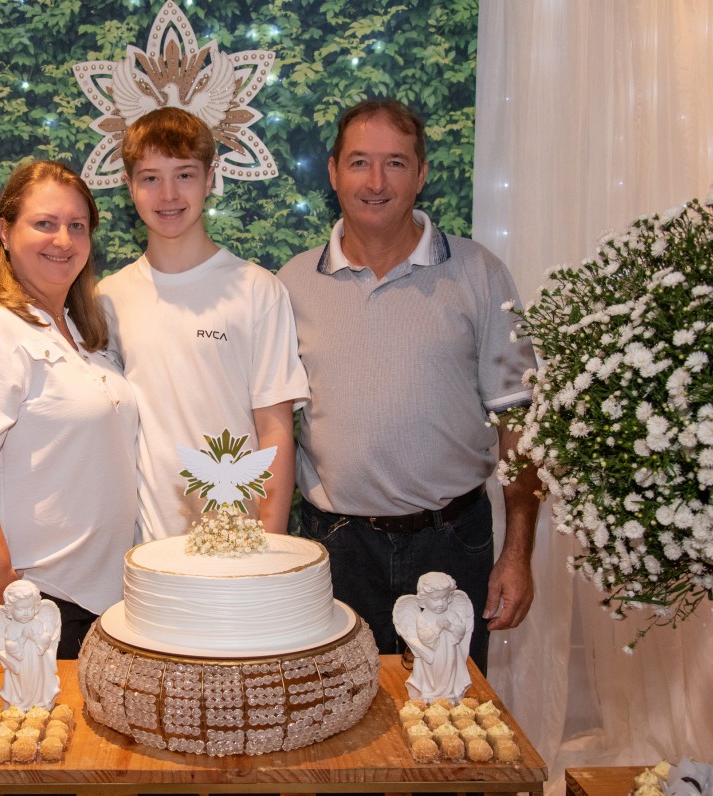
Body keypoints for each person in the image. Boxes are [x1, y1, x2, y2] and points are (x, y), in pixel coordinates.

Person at [277, 98, 541, 674]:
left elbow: (521, 426)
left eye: (395, 163)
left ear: (421, 173)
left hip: (454, 545)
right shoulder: (290, 284)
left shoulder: (479, 272)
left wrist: (518, 552)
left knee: (451, 722)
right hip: (336, 550)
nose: (376, 182)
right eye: (359, 162)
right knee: (340, 728)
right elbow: (270, 428)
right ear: (333, 172)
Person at [0, 160, 139, 697]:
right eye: (45, 223)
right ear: (5, 231)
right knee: (27, 766)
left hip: (81, 599)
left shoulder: (83, 334)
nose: (63, 239)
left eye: (78, 225)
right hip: (21, 604)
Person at [98, 107, 308, 541]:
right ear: (129, 186)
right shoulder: (107, 298)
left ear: (210, 178)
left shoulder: (257, 290)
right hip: (144, 548)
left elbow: (275, 429)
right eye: (151, 177)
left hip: (240, 541)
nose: (168, 194)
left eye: (185, 175)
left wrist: (271, 543)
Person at [393, 572, 473, 702]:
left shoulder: (451, 615)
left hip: (449, 652)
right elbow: (424, 637)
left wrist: (450, 627)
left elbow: (461, 631)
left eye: (445, 598)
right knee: (433, 673)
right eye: (435, 599)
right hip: (431, 653)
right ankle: (430, 693)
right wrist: (437, 628)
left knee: (448, 671)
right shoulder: (423, 617)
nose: (441, 604)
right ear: (424, 600)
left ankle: (448, 694)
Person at [0, 580, 61, 710]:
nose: (26, 613)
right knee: (23, 683)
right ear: (10, 609)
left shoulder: (37, 623)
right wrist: (23, 638)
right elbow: (9, 646)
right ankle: (22, 703)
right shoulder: (11, 627)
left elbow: (46, 639)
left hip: (37, 661)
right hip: (20, 664)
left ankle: (39, 701)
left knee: (37, 680)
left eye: (30, 608)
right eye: (20, 609)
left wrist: (37, 638)